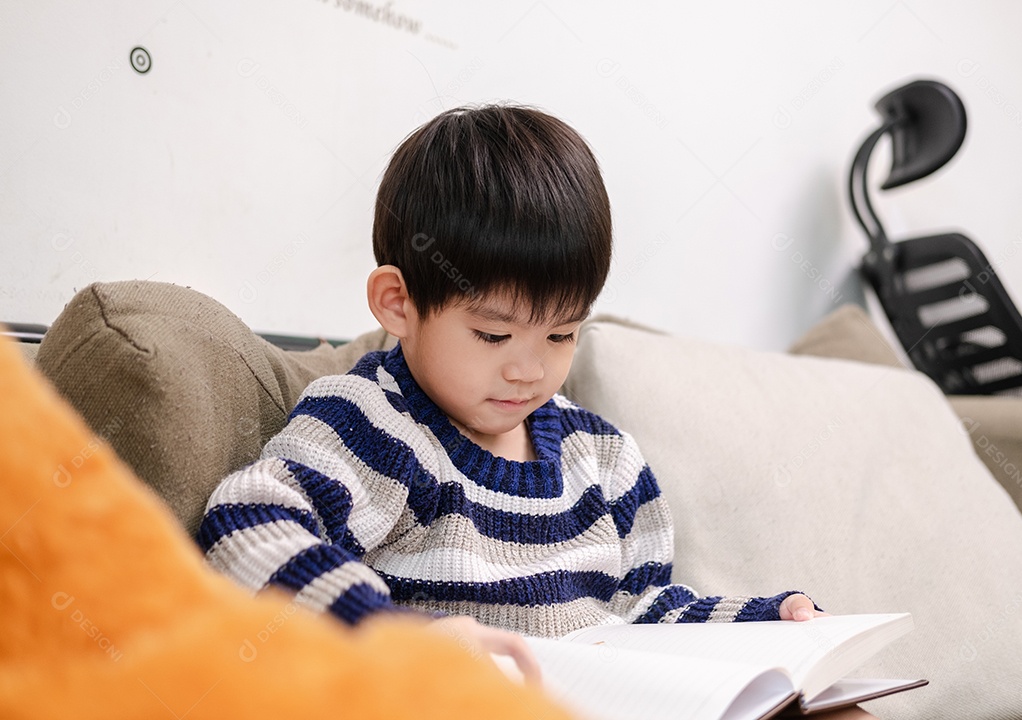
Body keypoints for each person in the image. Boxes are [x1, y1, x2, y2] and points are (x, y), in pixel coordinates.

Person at [198, 104, 835, 692]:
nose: (529, 370)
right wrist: (390, 632)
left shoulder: (604, 459)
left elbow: (642, 610)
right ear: (399, 303)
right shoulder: (373, 425)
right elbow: (245, 526)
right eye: (494, 334)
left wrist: (760, 626)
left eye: (561, 334)